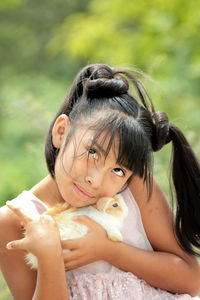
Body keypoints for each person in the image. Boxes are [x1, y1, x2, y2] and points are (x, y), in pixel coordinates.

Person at [0, 63, 200, 300]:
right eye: (93, 153)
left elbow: (191, 281)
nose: (95, 180)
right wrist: (49, 256)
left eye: (117, 169)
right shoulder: (14, 220)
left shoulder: (134, 186)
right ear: (61, 131)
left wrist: (108, 249)